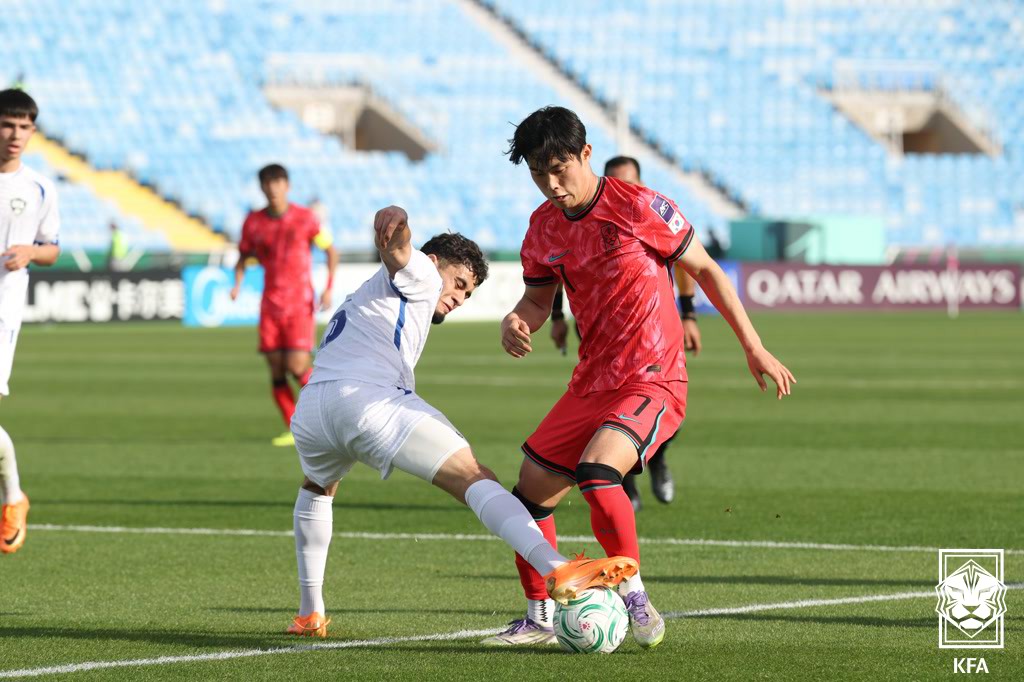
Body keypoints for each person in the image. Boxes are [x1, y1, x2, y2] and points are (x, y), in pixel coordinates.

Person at [491, 106, 794, 648]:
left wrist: (754, 346)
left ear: (586, 154)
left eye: (559, 169)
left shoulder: (638, 206)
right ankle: (539, 617)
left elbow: (705, 270)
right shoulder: (542, 227)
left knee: (597, 472)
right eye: (538, 174)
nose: (551, 185)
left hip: (652, 377)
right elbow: (538, 300)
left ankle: (633, 595)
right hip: (591, 381)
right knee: (528, 494)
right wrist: (518, 319)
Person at [286, 205, 638, 638]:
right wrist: (398, 220)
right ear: (435, 263)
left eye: (468, 295)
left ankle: (310, 612)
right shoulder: (422, 272)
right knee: (473, 476)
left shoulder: (366, 293)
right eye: (459, 284)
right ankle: (559, 567)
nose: (458, 298)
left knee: (317, 488)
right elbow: (401, 251)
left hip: (313, 410)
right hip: (367, 400)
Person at [549, 155, 703, 511]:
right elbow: (555, 265)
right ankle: (625, 483)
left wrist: (689, 314)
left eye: (629, 181)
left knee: (662, 409)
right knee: (610, 410)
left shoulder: (647, 213)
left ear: (641, 182)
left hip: (654, 337)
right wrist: (556, 316)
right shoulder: (587, 218)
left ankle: (657, 459)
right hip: (600, 337)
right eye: (617, 181)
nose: (623, 188)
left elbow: (687, 263)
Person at [231, 164, 339, 447]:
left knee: (297, 365)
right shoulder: (253, 222)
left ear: (287, 186)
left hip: (299, 303)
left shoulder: (306, 219)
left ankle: (331, 412)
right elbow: (243, 255)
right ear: (261, 188)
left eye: (278, 182)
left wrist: (328, 287)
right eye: (268, 183)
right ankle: (295, 428)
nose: (273, 188)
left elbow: (330, 251)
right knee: (276, 368)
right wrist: (237, 283)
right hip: (270, 304)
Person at [0, 89, 61, 555]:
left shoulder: (39, 187)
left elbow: (52, 249)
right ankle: (15, 496)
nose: (15, 135)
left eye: (24, 127)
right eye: (7, 125)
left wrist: (30, 252)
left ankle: (13, 497)